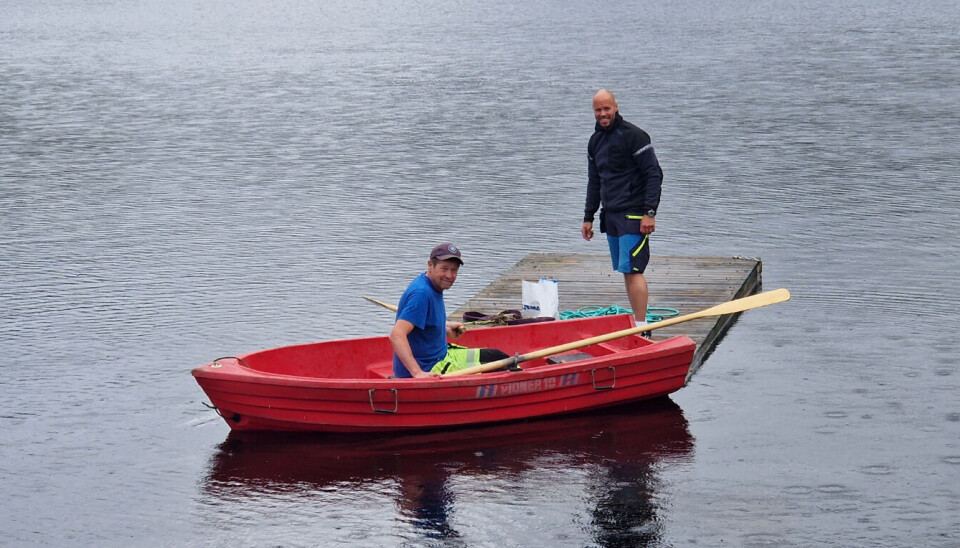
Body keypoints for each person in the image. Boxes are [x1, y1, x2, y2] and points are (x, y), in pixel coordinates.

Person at [581, 89, 663, 330]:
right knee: (626, 270)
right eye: (598, 110)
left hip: (635, 214)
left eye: (607, 108)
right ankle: (638, 323)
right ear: (593, 111)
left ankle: (642, 328)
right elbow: (594, 181)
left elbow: (654, 174)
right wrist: (588, 217)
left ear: (616, 107)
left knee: (634, 269)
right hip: (612, 214)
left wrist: (650, 212)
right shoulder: (595, 141)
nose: (603, 113)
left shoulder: (634, 136)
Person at [390, 243, 510, 378]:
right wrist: (417, 373)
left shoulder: (432, 284)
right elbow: (397, 335)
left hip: (442, 354)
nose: (449, 275)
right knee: (504, 369)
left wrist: (444, 327)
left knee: (498, 357)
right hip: (428, 367)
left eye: (454, 270)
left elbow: (423, 323)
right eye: (444, 269)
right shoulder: (421, 294)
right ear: (430, 265)